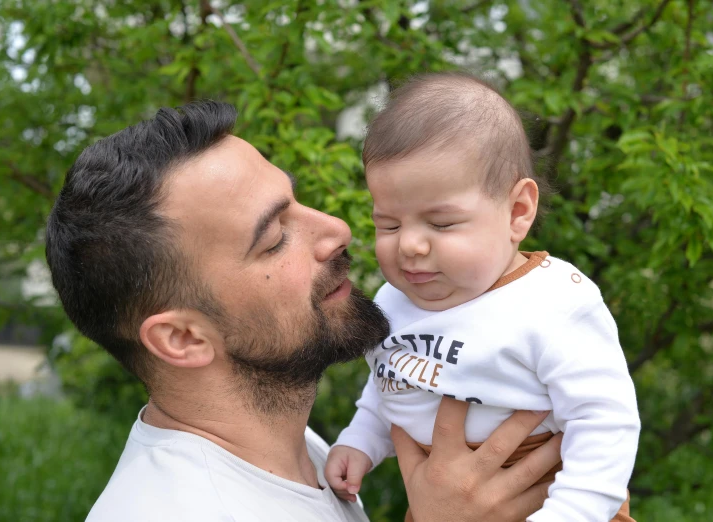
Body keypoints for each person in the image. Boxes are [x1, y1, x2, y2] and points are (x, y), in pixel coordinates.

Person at [44, 100, 563, 522]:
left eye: (297, 201)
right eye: (274, 239)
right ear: (183, 338)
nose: (337, 228)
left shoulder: (297, 455)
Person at [325, 73, 642, 522]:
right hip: (438, 501)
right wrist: (360, 440)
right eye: (389, 225)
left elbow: (604, 419)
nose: (410, 245)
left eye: (442, 224)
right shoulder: (396, 298)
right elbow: (393, 382)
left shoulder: (552, 302)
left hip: (558, 494)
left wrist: (571, 512)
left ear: (517, 212)